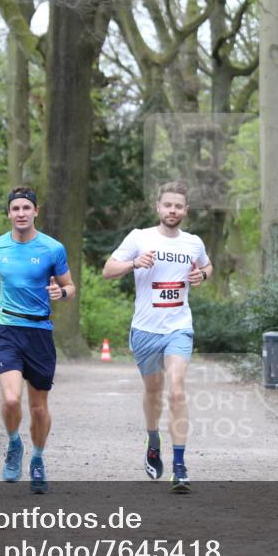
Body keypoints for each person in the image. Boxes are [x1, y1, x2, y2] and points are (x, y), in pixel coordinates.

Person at [103, 181, 212, 492]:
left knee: (176, 390)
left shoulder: (193, 243)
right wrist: (134, 263)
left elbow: (208, 266)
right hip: (145, 330)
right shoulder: (140, 238)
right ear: (158, 207)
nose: (173, 210)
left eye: (178, 206)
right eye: (168, 205)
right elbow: (108, 269)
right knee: (154, 391)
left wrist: (201, 275)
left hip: (179, 327)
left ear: (185, 210)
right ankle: (153, 439)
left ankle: (180, 466)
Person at [0, 186, 75, 494]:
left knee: (38, 408)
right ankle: (14, 444)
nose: (21, 213)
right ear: (9, 214)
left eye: (27, 208)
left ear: (36, 211)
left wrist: (61, 293)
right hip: (7, 329)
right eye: (16, 209)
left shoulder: (53, 249)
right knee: (11, 399)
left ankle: (38, 458)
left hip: (39, 332)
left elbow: (69, 286)